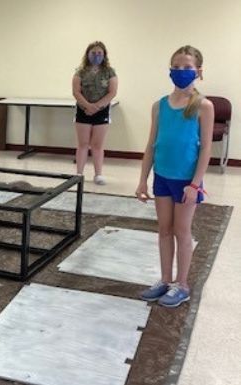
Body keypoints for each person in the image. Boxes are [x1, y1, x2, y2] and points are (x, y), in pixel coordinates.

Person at [136, 45, 214, 308]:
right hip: (162, 177)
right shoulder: (159, 106)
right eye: (176, 67)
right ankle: (166, 280)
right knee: (164, 230)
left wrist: (195, 184)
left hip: (186, 181)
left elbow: (205, 148)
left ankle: (182, 284)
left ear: (199, 72)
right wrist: (142, 179)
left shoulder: (203, 106)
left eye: (187, 67)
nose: (181, 72)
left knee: (182, 231)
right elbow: (151, 145)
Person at [72, 41, 118, 184]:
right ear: (88, 54)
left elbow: (112, 92)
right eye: (93, 53)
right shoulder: (80, 71)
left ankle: (98, 174)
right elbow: (76, 91)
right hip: (83, 110)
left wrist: (97, 107)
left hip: (102, 110)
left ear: (104, 55)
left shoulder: (110, 72)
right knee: (83, 144)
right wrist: (87, 106)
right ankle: (79, 174)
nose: (96, 56)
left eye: (99, 53)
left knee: (97, 145)